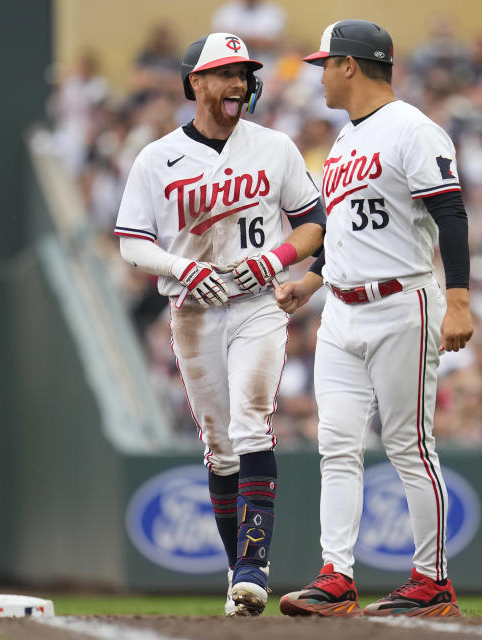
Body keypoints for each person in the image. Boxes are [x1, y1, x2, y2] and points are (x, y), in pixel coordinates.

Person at [114, 32, 325, 617]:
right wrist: (183, 266)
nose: (239, 83)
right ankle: (239, 575)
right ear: (195, 83)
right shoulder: (156, 158)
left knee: (253, 423)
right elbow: (132, 241)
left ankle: (255, 567)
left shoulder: (274, 145)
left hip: (257, 299)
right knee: (219, 445)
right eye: (225, 72)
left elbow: (312, 224)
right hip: (194, 308)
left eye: (244, 72)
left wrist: (276, 260)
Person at [275, 20, 473, 618]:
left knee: (409, 445)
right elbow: (343, 231)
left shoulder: (413, 129)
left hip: (401, 303)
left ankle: (432, 579)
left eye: (326, 64)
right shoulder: (344, 140)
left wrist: (459, 298)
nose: (322, 74)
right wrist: (312, 280)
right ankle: (336, 576)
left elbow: (452, 215)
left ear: (351, 66)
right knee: (335, 446)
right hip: (341, 308)